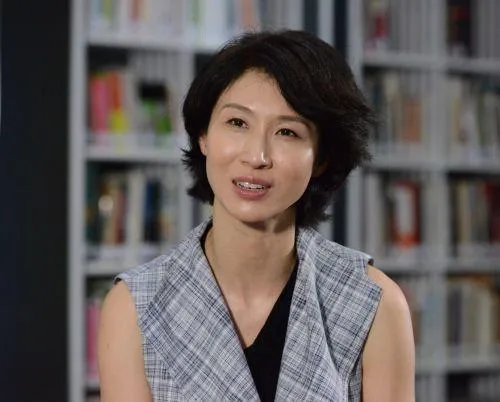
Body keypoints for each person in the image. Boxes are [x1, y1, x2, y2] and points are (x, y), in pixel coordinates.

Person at [98, 29, 415, 402]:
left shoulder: (372, 302)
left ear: (321, 158)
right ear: (203, 135)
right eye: (237, 123)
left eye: (287, 132)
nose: (257, 156)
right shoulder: (134, 306)